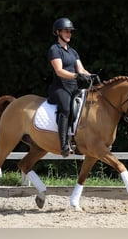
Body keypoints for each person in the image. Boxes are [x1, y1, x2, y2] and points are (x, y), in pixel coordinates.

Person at [47, 17, 92, 157]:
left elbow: (81, 69)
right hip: (60, 87)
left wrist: (91, 76)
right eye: (66, 31)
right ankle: (64, 145)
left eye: (70, 32)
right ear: (58, 32)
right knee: (65, 109)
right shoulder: (55, 49)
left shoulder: (72, 52)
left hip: (73, 88)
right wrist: (76, 76)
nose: (69, 34)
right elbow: (59, 71)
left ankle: (77, 141)